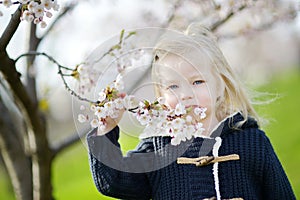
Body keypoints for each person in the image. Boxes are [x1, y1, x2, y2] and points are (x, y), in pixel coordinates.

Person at [86, 24, 296, 200]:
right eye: (173, 87)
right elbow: (113, 181)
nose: (185, 94)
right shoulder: (158, 148)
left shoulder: (252, 141)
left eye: (197, 82)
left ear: (220, 86)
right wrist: (105, 133)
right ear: (161, 95)